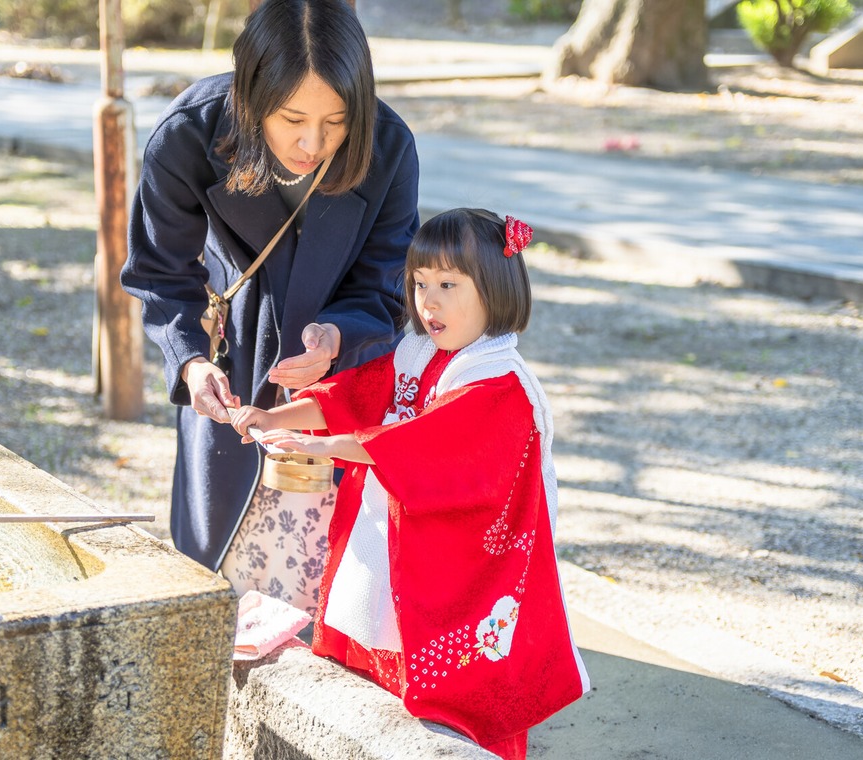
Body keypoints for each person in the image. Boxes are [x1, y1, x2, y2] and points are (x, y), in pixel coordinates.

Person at [228, 208, 591, 759]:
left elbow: (423, 444)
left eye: (449, 284)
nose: (430, 301)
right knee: (373, 664)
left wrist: (330, 447)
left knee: (460, 705)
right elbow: (354, 396)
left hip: (464, 567)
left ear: (495, 288)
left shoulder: (499, 383)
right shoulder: (418, 355)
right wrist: (274, 417)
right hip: (400, 538)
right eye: (421, 284)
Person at [120, 0, 421, 590]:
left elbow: (386, 281)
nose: (312, 143)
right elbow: (160, 272)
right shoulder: (191, 132)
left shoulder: (388, 147)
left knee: (343, 578)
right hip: (231, 356)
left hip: (343, 379)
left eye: (336, 121)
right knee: (219, 568)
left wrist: (338, 334)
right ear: (251, 94)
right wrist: (190, 361)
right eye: (290, 119)